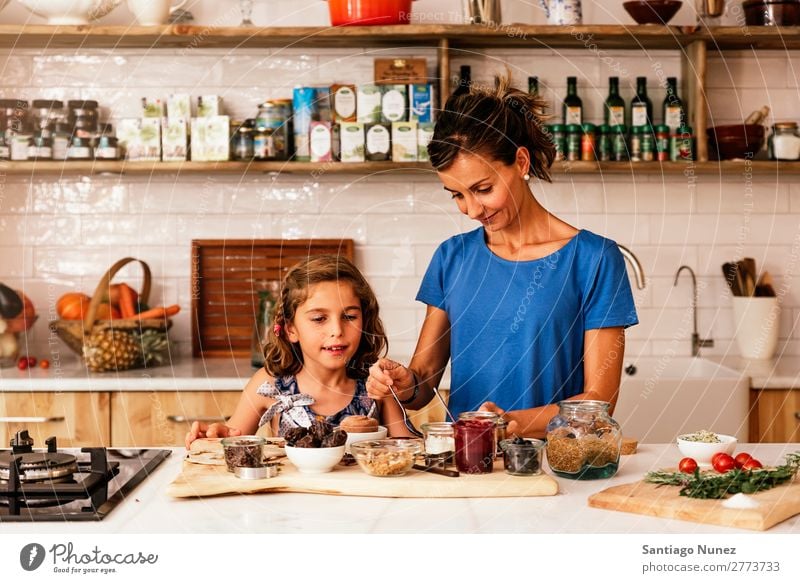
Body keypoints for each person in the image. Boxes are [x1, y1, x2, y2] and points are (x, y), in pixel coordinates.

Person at [366, 76, 639, 438]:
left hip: (555, 465)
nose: (472, 209)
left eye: (483, 189)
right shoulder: (453, 257)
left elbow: (599, 402)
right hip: (467, 465)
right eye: (457, 195)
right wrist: (400, 384)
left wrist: (508, 424)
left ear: (521, 162)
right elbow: (423, 383)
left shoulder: (595, 259)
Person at [185, 255, 414, 447]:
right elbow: (232, 437)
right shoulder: (269, 385)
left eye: (349, 317)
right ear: (291, 329)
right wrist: (215, 436)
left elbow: (411, 451)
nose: (337, 330)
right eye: (319, 319)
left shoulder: (376, 385)